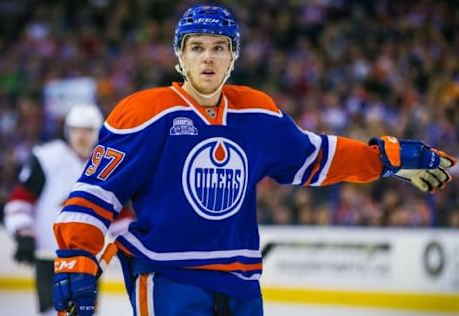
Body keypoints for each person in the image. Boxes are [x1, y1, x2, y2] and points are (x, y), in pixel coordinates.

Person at [51, 4, 456, 316]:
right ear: (180, 57)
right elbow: (96, 192)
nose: (207, 58)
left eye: (219, 48)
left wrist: (387, 158)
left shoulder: (257, 114)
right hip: (169, 277)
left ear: (233, 57)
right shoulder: (144, 113)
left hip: (242, 283)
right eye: (196, 48)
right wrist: (76, 257)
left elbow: (318, 157)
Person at [4, 104, 132, 316]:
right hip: (49, 256)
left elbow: (121, 213)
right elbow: (21, 200)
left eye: (88, 130)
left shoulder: (109, 164)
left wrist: (127, 245)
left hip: (89, 259)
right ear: (67, 131)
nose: (81, 136)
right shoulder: (47, 158)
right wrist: (23, 233)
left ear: (98, 132)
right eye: (76, 130)